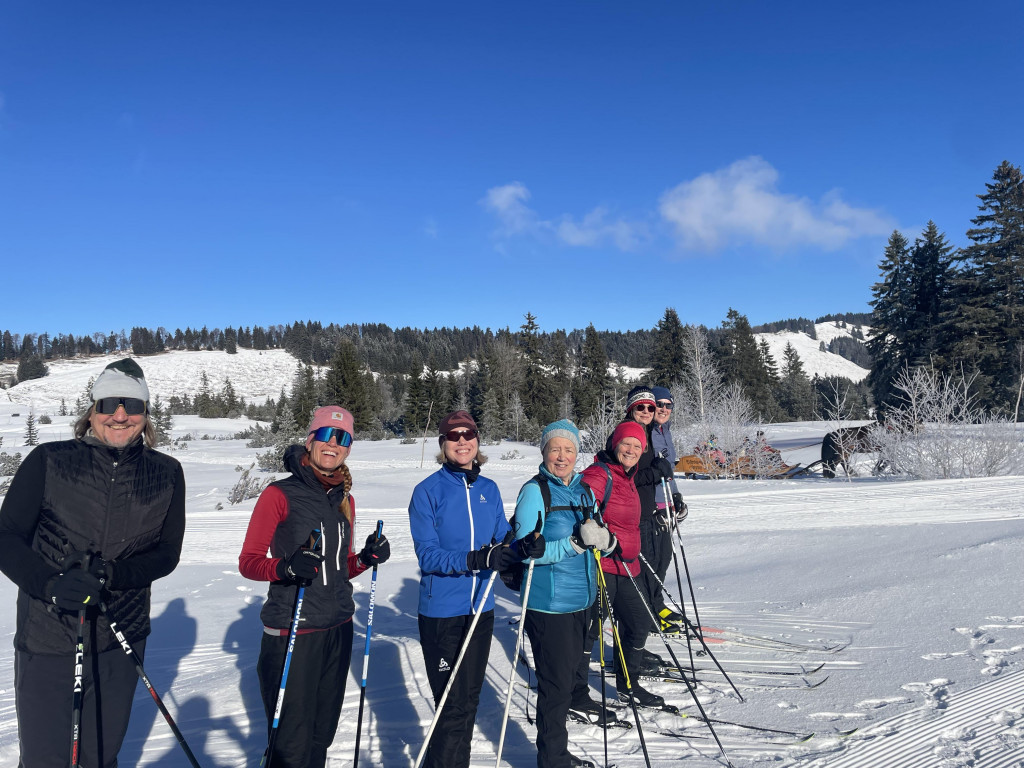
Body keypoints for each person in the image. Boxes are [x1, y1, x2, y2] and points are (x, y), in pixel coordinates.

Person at [0, 358, 186, 768]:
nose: (120, 416)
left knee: (100, 756)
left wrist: (114, 574)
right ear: (92, 411)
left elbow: (167, 553)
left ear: (145, 413)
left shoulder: (167, 472)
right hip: (49, 635)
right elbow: (7, 536)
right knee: (46, 759)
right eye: (109, 404)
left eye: (132, 405)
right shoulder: (50, 460)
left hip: (121, 636)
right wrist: (50, 585)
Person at [239, 405, 390, 768]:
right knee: (290, 745)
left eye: (343, 438)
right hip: (294, 630)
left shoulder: (345, 499)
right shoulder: (279, 494)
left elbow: (339, 568)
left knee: (321, 736)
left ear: (348, 449)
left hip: (338, 627)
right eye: (325, 434)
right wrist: (286, 567)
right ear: (309, 441)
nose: (333, 444)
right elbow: (249, 562)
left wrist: (365, 558)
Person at [409, 410, 540, 768]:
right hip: (441, 614)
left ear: (477, 441)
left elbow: (502, 540)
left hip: (481, 610)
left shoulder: (488, 489)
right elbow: (428, 555)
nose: (462, 441)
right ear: (443, 444)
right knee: (450, 707)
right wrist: (477, 559)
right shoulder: (427, 492)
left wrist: (523, 547)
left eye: (469, 434)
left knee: (468, 701)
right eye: (454, 436)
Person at [514, 420, 612, 768]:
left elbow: (597, 533)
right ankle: (553, 760)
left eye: (568, 449)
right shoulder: (534, 492)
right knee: (555, 688)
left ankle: (557, 754)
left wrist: (607, 541)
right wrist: (573, 544)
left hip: (582, 601)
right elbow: (525, 552)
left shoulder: (584, 491)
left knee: (568, 682)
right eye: (555, 448)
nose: (562, 456)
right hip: (549, 605)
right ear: (544, 452)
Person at [574, 420, 666, 711]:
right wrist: (600, 534)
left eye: (637, 446)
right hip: (603, 567)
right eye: (626, 443)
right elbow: (581, 510)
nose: (631, 450)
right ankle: (576, 693)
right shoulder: (599, 474)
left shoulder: (628, 477)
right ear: (615, 444)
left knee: (639, 623)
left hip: (628, 567)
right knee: (590, 631)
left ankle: (629, 685)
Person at [649, 386, 688, 633]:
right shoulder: (646, 431)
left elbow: (668, 471)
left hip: (666, 502)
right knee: (652, 559)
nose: (663, 409)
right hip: (651, 505)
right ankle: (648, 612)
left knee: (663, 558)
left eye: (668, 405)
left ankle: (657, 603)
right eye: (659, 404)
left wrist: (675, 496)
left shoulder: (666, 431)